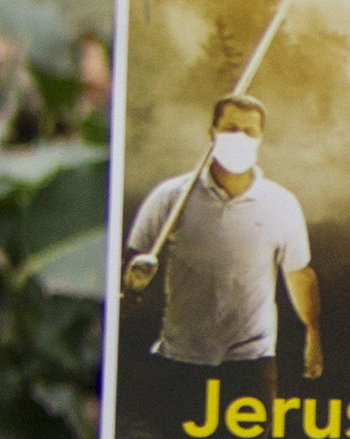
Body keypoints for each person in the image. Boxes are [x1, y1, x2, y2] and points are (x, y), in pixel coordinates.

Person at [120, 93, 320, 391]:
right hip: (180, 359)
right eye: (230, 129)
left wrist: (313, 335)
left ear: (261, 138)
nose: (239, 138)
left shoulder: (281, 203)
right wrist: (127, 292)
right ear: (211, 133)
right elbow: (132, 265)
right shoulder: (171, 197)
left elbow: (299, 274)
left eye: (249, 131)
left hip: (252, 364)